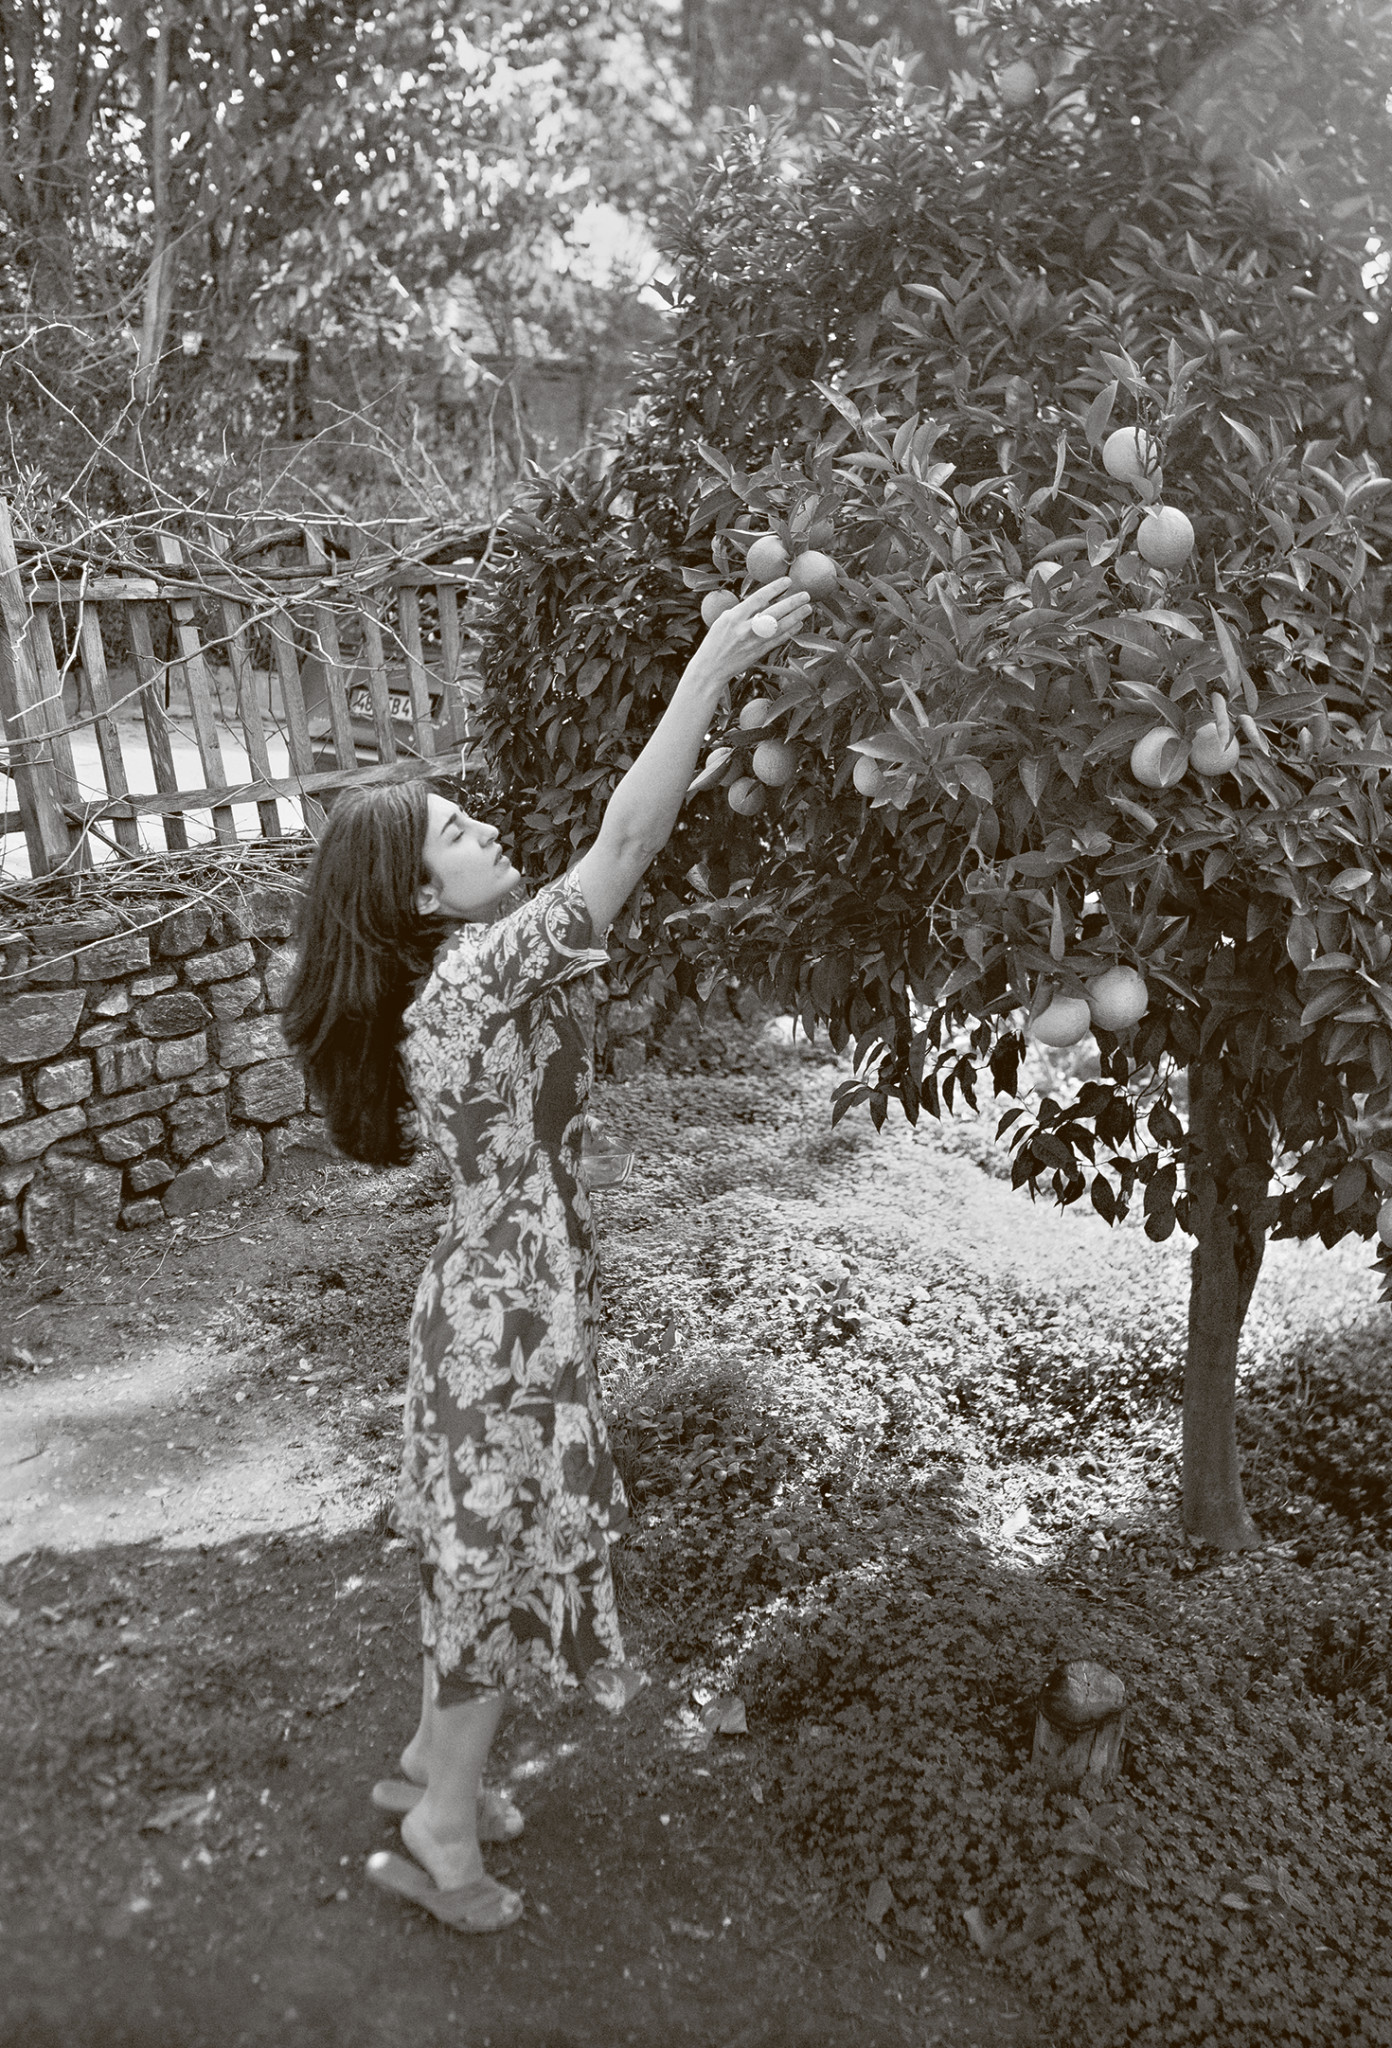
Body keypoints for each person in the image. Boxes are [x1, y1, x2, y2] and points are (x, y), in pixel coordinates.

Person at [283, 573, 811, 1933]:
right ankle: (443, 1835)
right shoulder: (473, 973)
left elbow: (628, 843)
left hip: (490, 1298)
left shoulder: (455, 977)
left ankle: (426, 1765)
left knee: (474, 1545)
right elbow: (625, 841)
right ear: (419, 891)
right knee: (495, 1561)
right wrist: (707, 669)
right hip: (504, 1317)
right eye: (457, 834)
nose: (488, 832)